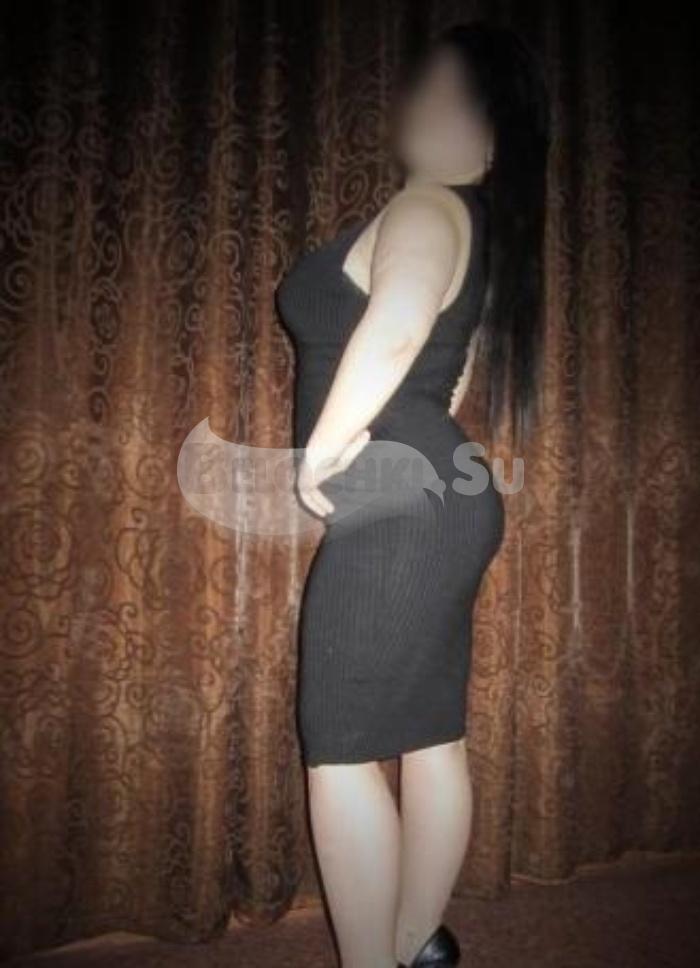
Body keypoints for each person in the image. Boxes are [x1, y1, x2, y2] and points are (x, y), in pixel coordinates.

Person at [275, 20, 550, 968]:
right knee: (431, 730)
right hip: (445, 490)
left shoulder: (429, 204)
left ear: (492, 132)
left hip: (397, 490)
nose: (421, 104)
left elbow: (395, 327)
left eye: (449, 92)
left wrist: (321, 452)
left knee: (341, 747)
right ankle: (415, 941)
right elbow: (451, 375)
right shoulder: (479, 232)